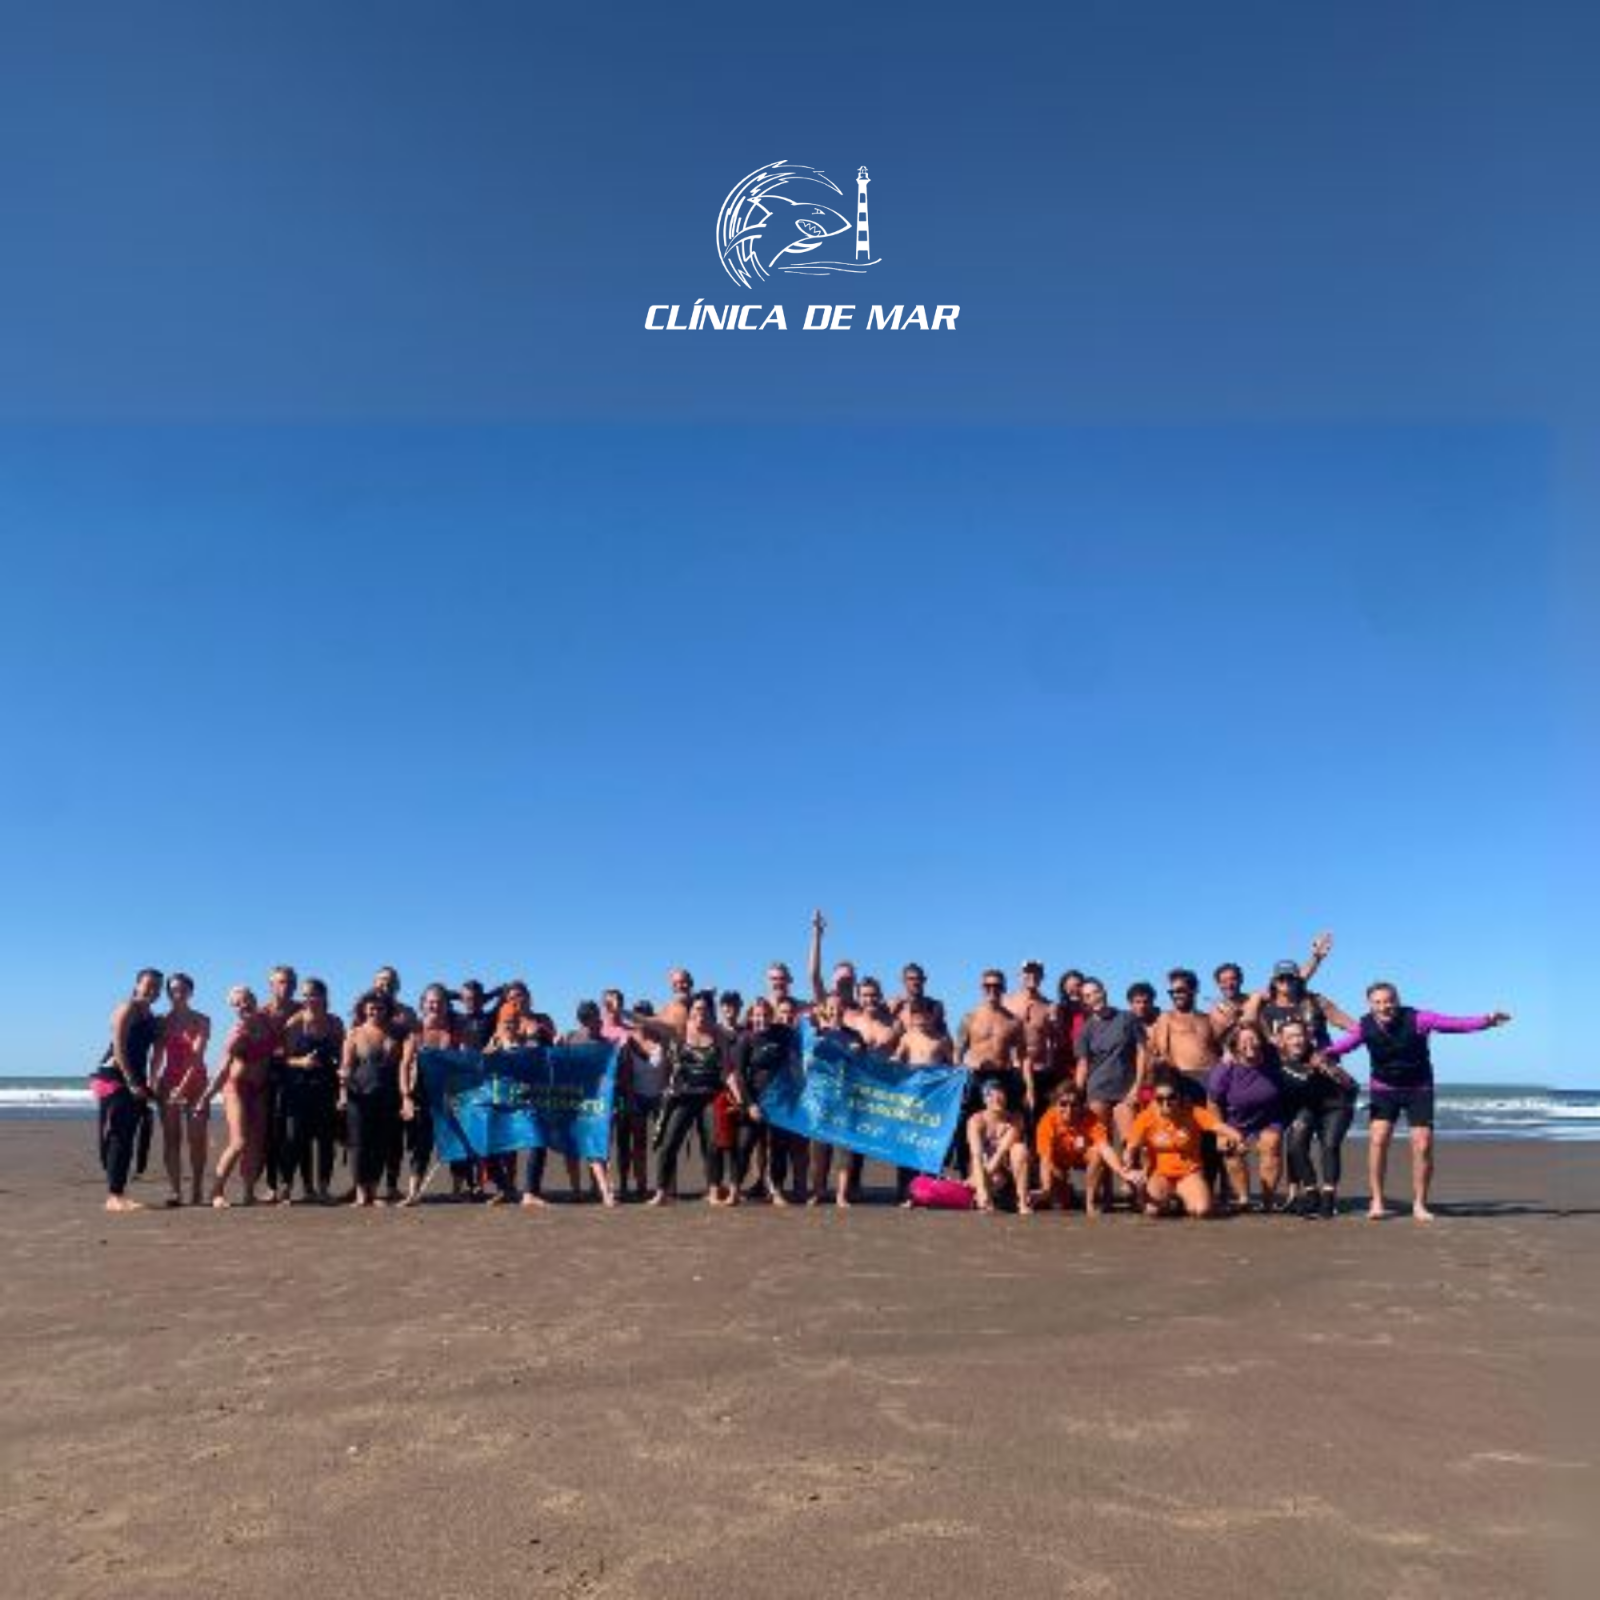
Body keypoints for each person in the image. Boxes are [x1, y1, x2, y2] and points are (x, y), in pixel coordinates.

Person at [1322, 983, 1511, 1221]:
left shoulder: (1419, 1019)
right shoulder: (1365, 1026)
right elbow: (1344, 1046)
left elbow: (1454, 1024)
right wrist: (1322, 1054)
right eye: (1377, 1002)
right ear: (1370, 1005)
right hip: (1383, 1089)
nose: (1384, 1006)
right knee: (1378, 1139)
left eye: (1388, 1001)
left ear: (1397, 1000)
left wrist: (1487, 1020)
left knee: (1422, 1144)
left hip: (1418, 1088)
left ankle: (1420, 1204)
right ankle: (1377, 1201)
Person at [632, 992, 735, 1205]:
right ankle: (661, 1192)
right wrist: (621, 1012)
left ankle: (714, 1190)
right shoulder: (679, 1031)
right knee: (669, 1142)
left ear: (711, 1012)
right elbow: (650, 1022)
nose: (700, 1013)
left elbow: (727, 1071)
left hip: (711, 1096)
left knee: (713, 1144)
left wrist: (739, 1098)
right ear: (690, 1012)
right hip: (683, 1096)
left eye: (704, 1009)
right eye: (696, 1009)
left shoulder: (719, 1035)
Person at [1125, 1070, 1245, 1219]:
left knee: (1201, 1211)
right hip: (1160, 1174)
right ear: (1154, 1099)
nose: (1166, 1103)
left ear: (1180, 1097)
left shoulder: (1193, 1112)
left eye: (1171, 1098)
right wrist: (1129, 1165)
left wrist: (1238, 1140)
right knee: (1152, 1211)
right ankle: (1170, 1201)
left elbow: (1223, 1128)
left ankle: (1188, 1199)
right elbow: (1131, 1146)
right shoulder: (1146, 1117)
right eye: (1159, 1099)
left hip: (1189, 1173)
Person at [1073, 977, 1149, 1205]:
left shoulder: (1127, 1018)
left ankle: (1138, 1194)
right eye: (1087, 996)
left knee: (1131, 1142)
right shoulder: (1086, 1029)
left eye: (1096, 992)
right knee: (1102, 1143)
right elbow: (1083, 1064)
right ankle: (1106, 1195)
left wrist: (1137, 1086)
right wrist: (1077, 1094)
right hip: (1097, 1089)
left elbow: (1142, 1052)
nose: (1093, 998)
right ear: (1084, 1001)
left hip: (1126, 1089)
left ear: (1104, 991)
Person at [93, 969, 164, 1212]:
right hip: (115, 1076)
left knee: (128, 1135)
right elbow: (119, 1047)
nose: (153, 991)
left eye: (157, 987)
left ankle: (118, 1192)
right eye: (148, 985)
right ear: (137, 985)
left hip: (134, 1077)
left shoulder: (149, 1015)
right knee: (119, 1135)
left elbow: (153, 1052)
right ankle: (114, 1197)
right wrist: (132, 1081)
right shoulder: (127, 1008)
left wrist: (148, 1082)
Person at [201, 986, 277, 1207]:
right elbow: (223, 1068)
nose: (243, 1006)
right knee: (239, 1142)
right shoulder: (238, 1033)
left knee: (256, 1143)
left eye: (246, 1000)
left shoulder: (267, 1022)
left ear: (254, 999)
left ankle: (248, 1193)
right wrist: (206, 1097)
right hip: (237, 1088)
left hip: (260, 1089)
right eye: (237, 1004)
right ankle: (216, 1192)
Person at [1276, 1018, 1359, 1218]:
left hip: (1336, 1106)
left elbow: (1352, 1086)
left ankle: (1328, 1197)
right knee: (1295, 1144)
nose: (1297, 1040)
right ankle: (1312, 1193)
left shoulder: (1320, 1055)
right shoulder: (1276, 1060)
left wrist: (1334, 1072)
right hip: (1307, 1107)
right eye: (1291, 1036)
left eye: (1300, 1035)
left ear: (1307, 1037)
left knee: (1329, 1145)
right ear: (1282, 1040)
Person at [487, 981, 558, 1206]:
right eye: (511, 997)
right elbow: (486, 1054)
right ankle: (506, 1187)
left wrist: (540, 1034)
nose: (516, 1000)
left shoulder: (542, 1020)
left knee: (537, 1138)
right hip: (507, 1091)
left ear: (529, 997)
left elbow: (555, 1048)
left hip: (536, 1089)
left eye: (520, 995)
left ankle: (530, 1192)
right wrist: (493, 1049)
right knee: (501, 1140)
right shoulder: (503, 1024)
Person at [1207, 1023, 1286, 1212]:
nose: (1249, 1044)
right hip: (1235, 1119)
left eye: (1253, 1038)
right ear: (1234, 1045)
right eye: (1243, 1040)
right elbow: (1212, 1103)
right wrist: (1221, 1133)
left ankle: (1268, 1200)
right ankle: (1243, 1198)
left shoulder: (1273, 1058)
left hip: (1269, 1117)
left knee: (1271, 1144)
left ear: (1261, 1040)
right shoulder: (1225, 1068)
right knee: (1231, 1149)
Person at [280, 978, 345, 1204]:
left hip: (326, 1088)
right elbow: (284, 1059)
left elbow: (343, 1054)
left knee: (326, 1141)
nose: (309, 999)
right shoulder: (294, 1023)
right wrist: (301, 1062)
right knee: (295, 1139)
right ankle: (288, 1187)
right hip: (299, 1088)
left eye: (314, 995)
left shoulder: (334, 1022)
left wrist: (342, 1078)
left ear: (324, 997)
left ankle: (323, 1189)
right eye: (305, 995)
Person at [727, 996, 798, 1202]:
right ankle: (734, 1190)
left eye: (766, 1015)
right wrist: (750, 1104)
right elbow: (739, 1075)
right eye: (757, 1015)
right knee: (744, 1145)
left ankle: (776, 1190)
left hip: (779, 1103)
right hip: (754, 1101)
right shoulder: (745, 1039)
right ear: (751, 1017)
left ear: (772, 1016)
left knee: (778, 1147)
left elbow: (806, 1034)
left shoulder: (783, 1034)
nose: (762, 1019)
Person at [338, 992, 406, 1207]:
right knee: (358, 1143)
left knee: (380, 1143)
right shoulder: (355, 1033)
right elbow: (346, 1066)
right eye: (371, 1008)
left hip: (387, 1094)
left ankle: (374, 1190)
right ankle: (360, 1192)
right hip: (358, 1094)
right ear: (363, 1009)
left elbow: (405, 1063)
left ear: (387, 1010)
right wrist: (342, 1093)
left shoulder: (396, 1033)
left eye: (380, 1008)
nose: (375, 1012)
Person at [1033, 1080, 1140, 1214]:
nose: (1069, 1109)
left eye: (1074, 1105)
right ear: (1055, 1104)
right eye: (1063, 1104)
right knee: (1059, 1204)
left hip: (1082, 1157)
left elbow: (1104, 1147)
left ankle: (1090, 1202)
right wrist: (1045, 1188)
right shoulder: (1047, 1121)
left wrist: (1122, 1172)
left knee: (1097, 1153)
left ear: (1081, 1106)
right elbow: (1045, 1158)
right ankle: (1066, 1193)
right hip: (1058, 1161)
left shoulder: (1090, 1118)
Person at [151, 972, 210, 1207]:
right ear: (168, 993)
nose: (178, 994)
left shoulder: (202, 1020)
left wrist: (182, 1088)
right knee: (172, 1139)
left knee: (197, 1138)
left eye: (183, 990)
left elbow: (196, 1058)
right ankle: (175, 1190)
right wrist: (152, 1081)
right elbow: (157, 1056)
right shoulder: (162, 1021)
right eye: (173, 990)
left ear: (191, 992)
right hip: (169, 1082)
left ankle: (197, 1188)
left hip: (196, 1082)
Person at [398, 984, 456, 1206]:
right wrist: (406, 1096)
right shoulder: (415, 1034)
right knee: (420, 1144)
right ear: (423, 1005)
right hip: (420, 1094)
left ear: (446, 1005)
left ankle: (458, 1188)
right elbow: (404, 1065)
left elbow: (467, 1060)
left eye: (439, 1002)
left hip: (448, 1094)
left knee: (454, 1139)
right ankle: (413, 1191)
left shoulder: (454, 1032)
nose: (435, 1006)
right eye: (430, 1002)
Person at [556, 1002, 618, 1207]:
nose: (589, 1022)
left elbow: (610, 1074)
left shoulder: (605, 1043)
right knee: (572, 1147)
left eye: (591, 1017)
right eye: (585, 1018)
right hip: (572, 1099)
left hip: (596, 1101)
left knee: (596, 1145)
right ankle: (576, 1189)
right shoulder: (570, 1038)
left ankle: (601, 1190)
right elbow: (558, 1062)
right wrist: (557, 1046)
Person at [957, 969, 1029, 1111]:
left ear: (1004, 988)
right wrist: (964, 1071)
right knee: (969, 1117)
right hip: (976, 1076)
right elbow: (958, 1052)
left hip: (1004, 1076)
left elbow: (1023, 1056)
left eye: (997, 986)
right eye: (987, 986)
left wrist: (1027, 1086)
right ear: (982, 988)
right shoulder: (970, 1018)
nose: (992, 989)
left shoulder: (1014, 1021)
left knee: (1012, 1117)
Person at [260, 964, 300, 1205]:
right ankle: (272, 1185)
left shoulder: (302, 1010)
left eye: (291, 982)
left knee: (293, 1134)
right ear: (271, 985)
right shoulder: (262, 1013)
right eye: (282, 982)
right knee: (272, 1134)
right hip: (269, 1077)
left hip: (298, 1076)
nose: (287, 987)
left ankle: (289, 1183)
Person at [1248, 961, 1355, 1050]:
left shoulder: (1316, 1001)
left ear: (1298, 980)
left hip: (1321, 1063)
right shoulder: (1265, 1009)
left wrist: (1337, 1049)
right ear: (1274, 982)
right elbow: (1248, 1025)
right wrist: (1255, 998)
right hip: (1281, 1066)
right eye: (1281, 978)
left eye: (1290, 978)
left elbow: (1353, 1027)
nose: (1286, 982)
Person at [965, 1079, 1033, 1214]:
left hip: (1006, 1167)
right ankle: (986, 1199)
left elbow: (1000, 1153)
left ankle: (1022, 1202)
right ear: (984, 1100)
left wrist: (977, 1184)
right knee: (995, 1178)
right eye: (990, 1095)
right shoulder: (976, 1121)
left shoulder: (1015, 1119)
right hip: (984, 1167)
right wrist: (982, 1189)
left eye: (1000, 1094)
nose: (996, 1099)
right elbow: (976, 1156)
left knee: (1020, 1149)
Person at [1006, 961, 1059, 1112]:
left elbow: (1055, 1040)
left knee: (1040, 1115)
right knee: (1016, 1115)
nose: (1032, 976)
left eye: (1036, 973)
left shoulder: (1049, 1005)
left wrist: (1055, 1023)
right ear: (1020, 976)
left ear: (1042, 977)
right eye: (1028, 972)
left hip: (1040, 1069)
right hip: (1014, 1068)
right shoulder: (1006, 1002)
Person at [807, 908, 858, 1010]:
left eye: (848, 980)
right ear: (833, 982)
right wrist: (817, 935)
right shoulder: (826, 1002)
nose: (845, 985)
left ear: (854, 981)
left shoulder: (861, 1006)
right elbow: (814, 975)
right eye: (841, 981)